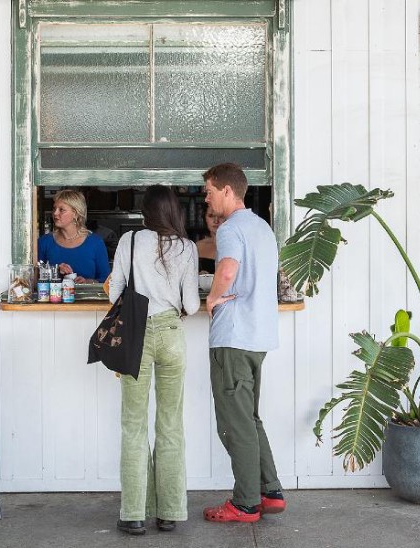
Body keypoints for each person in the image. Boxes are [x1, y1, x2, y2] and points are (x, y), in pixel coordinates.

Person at [106, 185, 201, 535]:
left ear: (144, 211)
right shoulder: (187, 248)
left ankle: (133, 514)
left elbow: (116, 291)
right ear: (174, 211)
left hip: (134, 334)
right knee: (170, 424)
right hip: (171, 335)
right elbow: (191, 305)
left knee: (133, 425)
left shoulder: (129, 241)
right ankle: (169, 512)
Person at [200, 163, 285, 523]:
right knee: (249, 418)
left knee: (235, 423)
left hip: (234, 337)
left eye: (208, 191)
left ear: (227, 191)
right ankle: (270, 491)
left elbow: (229, 269)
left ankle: (246, 503)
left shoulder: (231, 228)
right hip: (258, 336)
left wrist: (213, 298)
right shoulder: (262, 227)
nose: (206, 197)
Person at [37, 189, 110, 283]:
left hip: (87, 297)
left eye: (61, 210)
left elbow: (106, 280)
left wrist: (88, 282)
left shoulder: (95, 243)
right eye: (54, 208)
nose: (55, 213)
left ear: (76, 213)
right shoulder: (44, 242)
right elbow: (35, 278)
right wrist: (55, 272)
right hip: (55, 297)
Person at [194, 206, 223, 274]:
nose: (216, 221)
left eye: (221, 216)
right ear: (205, 218)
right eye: (211, 216)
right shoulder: (197, 246)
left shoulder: (237, 246)